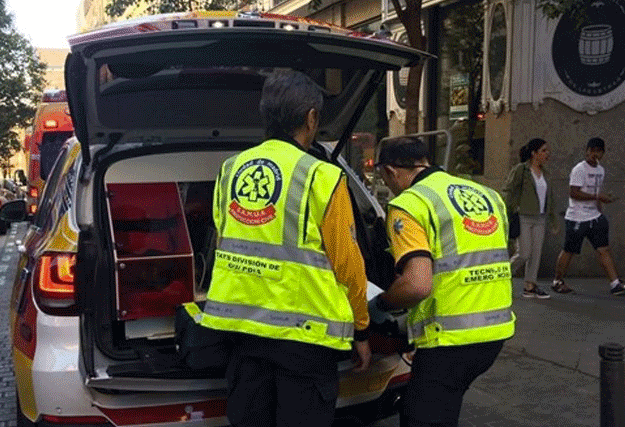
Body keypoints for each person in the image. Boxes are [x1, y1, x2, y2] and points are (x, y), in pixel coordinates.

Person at [200, 70, 371, 427]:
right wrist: (362, 329)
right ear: (311, 118)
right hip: (305, 340)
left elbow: (222, 238)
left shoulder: (231, 169)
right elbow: (348, 266)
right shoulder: (322, 177)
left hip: (243, 332)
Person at [368, 136, 515, 427]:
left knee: (421, 418)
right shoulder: (487, 194)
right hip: (495, 332)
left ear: (390, 172)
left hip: (450, 340)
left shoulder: (409, 204)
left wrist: (381, 304)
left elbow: (417, 284)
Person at [551, 137, 625, 295]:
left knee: (603, 249)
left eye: (599, 151)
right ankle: (557, 280)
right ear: (587, 151)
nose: (595, 155)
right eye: (592, 151)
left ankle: (615, 283)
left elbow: (597, 191)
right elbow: (573, 192)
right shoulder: (579, 169)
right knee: (569, 250)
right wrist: (598, 197)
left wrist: (600, 207)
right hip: (577, 217)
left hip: (594, 216)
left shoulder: (600, 170)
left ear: (603, 153)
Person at [502, 138, 558, 299]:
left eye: (547, 151)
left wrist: (553, 220)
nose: (547, 154)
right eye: (544, 151)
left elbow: (550, 198)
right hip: (523, 216)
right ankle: (503, 274)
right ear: (534, 153)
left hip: (540, 217)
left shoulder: (546, 174)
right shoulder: (522, 170)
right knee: (524, 253)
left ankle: (530, 285)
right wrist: (507, 211)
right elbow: (509, 190)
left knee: (536, 254)